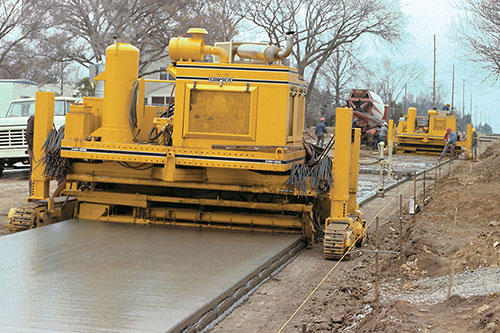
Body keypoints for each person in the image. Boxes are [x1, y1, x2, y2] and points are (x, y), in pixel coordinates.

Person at [26, 115, 35, 193]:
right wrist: (33, 148)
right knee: (34, 170)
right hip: (34, 149)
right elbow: (28, 135)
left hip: (41, 148)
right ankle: (33, 193)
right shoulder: (33, 118)